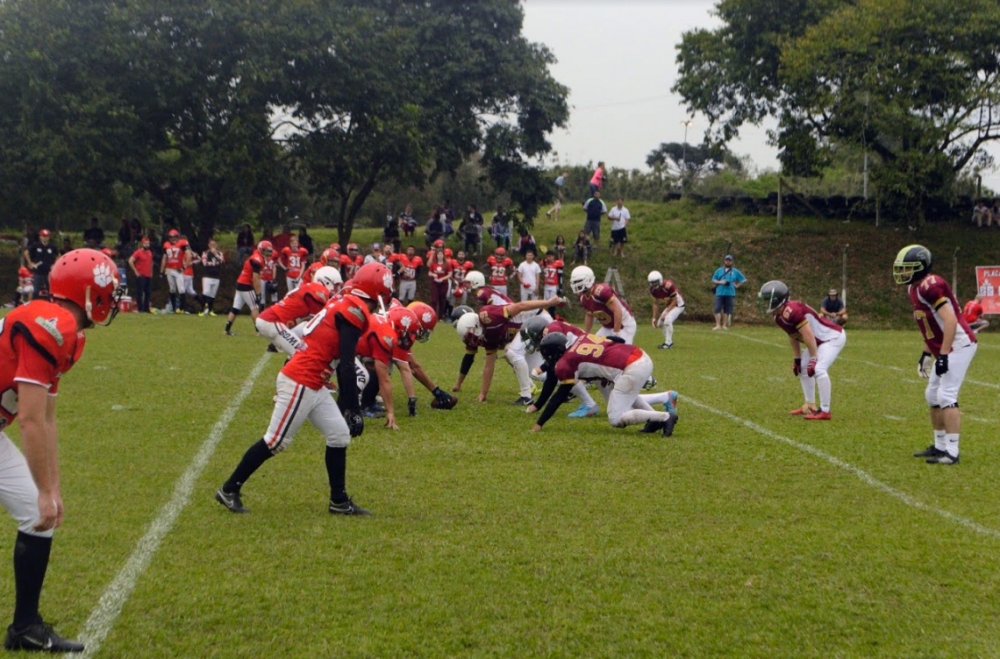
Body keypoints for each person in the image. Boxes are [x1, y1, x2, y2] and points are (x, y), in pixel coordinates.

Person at [0, 249, 121, 653]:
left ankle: (25, 627)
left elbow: (47, 418)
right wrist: (43, 489)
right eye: (108, 289)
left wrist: (51, 489)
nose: (113, 297)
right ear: (90, 291)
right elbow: (31, 420)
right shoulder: (51, 325)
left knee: (38, 514)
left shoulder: (65, 329)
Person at [215, 262, 394, 516]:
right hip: (302, 379)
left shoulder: (345, 302)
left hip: (313, 380)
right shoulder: (354, 309)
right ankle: (229, 489)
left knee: (339, 435)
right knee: (276, 441)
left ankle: (339, 501)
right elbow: (345, 364)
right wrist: (354, 408)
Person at [893, 244, 978, 465]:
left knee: (946, 395)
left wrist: (942, 356)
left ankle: (952, 451)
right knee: (932, 395)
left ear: (920, 267)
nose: (903, 273)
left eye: (907, 268)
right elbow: (930, 325)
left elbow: (950, 320)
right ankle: (940, 446)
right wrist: (926, 354)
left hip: (959, 344)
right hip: (944, 345)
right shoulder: (914, 288)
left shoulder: (930, 286)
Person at [529, 332, 677, 436]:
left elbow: (558, 397)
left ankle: (664, 417)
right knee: (626, 394)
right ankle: (655, 421)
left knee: (616, 418)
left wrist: (540, 423)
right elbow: (616, 339)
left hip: (632, 366)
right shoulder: (582, 338)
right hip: (638, 355)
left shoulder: (566, 363)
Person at [758, 281, 846, 420]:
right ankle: (809, 405)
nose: (765, 303)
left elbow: (808, 335)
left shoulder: (792, 311)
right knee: (803, 368)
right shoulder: (778, 315)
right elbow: (793, 334)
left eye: (767, 300)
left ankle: (825, 410)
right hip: (818, 340)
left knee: (819, 368)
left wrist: (814, 358)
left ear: (778, 300)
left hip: (831, 337)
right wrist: (797, 358)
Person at [452, 296, 564, 402]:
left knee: (512, 352)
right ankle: (569, 384)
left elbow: (520, 306)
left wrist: (548, 302)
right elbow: (488, 365)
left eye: (470, 336)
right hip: (527, 333)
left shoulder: (489, 316)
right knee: (535, 371)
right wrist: (483, 393)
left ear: (475, 326)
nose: (471, 341)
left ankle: (526, 397)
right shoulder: (487, 337)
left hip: (537, 318)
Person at [255, 277, 334, 356]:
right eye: (336, 285)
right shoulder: (317, 289)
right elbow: (321, 297)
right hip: (271, 320)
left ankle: (277, 350)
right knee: (301, 353)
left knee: (299, 351)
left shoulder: (308, 290)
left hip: (271, 320)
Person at [569, 265, 637, 342]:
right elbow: (589, 314)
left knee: (621, 351)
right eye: (575, 282)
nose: (577, 284)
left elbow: (617, 310)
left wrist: (616, 333)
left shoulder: (601, 291)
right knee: (594, 346)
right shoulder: (582, 297)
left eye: (579, 281)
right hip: (608, 327)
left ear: (588, 280)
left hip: (624, 325)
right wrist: (586, 334)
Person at [224, 240, 273, 335]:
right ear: (261, 249)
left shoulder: (256, 255)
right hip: (246, 285)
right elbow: (256, 278)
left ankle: (227, 329)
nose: (268, 253)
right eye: (265, 250)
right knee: (254, 307)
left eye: (269, 250)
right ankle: (259, 331)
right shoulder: (257, 260)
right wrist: (258, 293)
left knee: (235, 308)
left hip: (240, 283)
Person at [648, 271, 685, 349]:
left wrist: (667, 312)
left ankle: (668, 343)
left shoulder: (668, 286)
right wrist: (654, 318)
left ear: (660, 280)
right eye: (653, 283)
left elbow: (675, 300)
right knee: (660, 323)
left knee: (667, 319)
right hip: (670, 305)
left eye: (656, 282)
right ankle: (668, 341)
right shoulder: (653, 290)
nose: (654, 285)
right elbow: (655, 303)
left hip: (679, 305)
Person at [710, 254, 747, 330]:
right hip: (719, 292)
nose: (728, 262)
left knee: (727, 310)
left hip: (730, 293)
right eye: (726, 260)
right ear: (724, 261)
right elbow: (713, 279)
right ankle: (717, 325)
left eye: (729, 260)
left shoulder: (735, 271)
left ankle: (724, 325)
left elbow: (743, 279)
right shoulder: (719, 270)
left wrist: (737, 285)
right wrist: (721, 282)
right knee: (717, 308)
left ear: (732, 262)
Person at [23, 230, 58, 300]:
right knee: (35, 291)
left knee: (50, 291)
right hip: (38, 271)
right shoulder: (36, 245)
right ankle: (33, 305)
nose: (45, 238)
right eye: (43, 236)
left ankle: (51, 305)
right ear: (40, 237)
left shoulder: (51, 246)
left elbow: (58, 255)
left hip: (48, 272)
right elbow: (26, 252)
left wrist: (54, 264)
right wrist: (30, 263)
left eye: (47, 236)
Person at [160, 229, 189, 313]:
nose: (173, 238)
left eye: (175, 237)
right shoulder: (166, 245)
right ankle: (173, 308)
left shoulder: (182, 243)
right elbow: (164, 258)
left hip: (178, 269)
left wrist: (184, 267)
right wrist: (161, 271)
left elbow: (189, 255)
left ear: (178, 237)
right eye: (171, 237)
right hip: (169, 269)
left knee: (181, 289)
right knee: (172, 289)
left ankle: (182, 308)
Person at [200, 239, 225, 316]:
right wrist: (215, 263)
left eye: (214, 244)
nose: (213, 246)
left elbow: (222, 261)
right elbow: (205, 263)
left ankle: (210, 310)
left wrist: (216, 254)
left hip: (216, 277)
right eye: (211, 245)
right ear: (209, 245)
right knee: (206, 292)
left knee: (212, 294)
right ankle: (202, 310)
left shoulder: (219, 253)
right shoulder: (205, 253)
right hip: (207, 276)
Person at [128, 237, 154, 313]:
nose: (147, 245)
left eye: (148, 244)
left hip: (148, 275)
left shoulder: (150, 252)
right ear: (142, 244)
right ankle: (140, 308)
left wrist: (151, 272)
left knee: (148, 292)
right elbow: (130, 260)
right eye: (145, 243)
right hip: (141, 275)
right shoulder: (138, 252)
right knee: (140, 292)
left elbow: (151, 262)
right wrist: (135, 271)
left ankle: (146, 308)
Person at [427, 245, 452, 320]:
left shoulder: (447, 264)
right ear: (436, 255)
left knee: (442, 300)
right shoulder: (433, 264)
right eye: (438, 254)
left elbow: (450, 274)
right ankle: (433, 316)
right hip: (435, 283)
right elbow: (429, 273)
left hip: (443, 284)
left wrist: (443, 278)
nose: (440, 256)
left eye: (441, 254)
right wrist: (433, 274)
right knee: (434, 300)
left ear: (443, 255)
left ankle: (440, 317)